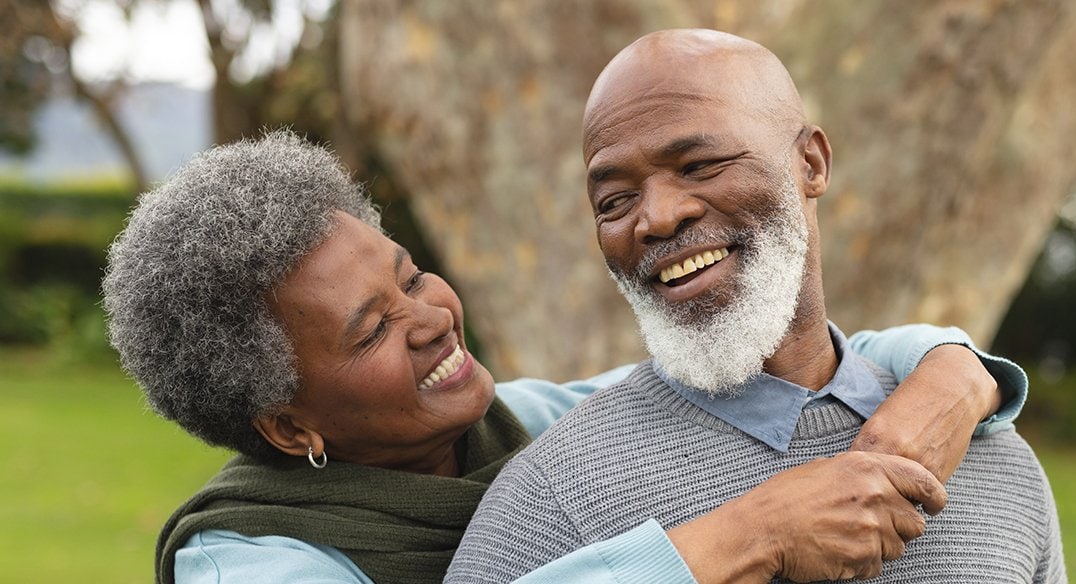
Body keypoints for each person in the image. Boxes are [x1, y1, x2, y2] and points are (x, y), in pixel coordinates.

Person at [102, 130, 1028, 584]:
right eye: (371, 330)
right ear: (287, 421)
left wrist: (955, 370)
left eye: (412, 276)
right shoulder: (248, 561)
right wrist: (747, 535)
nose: (430, 319)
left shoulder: (533, 424)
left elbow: (817, 355)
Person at [449, 29, 1065, 583]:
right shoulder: (551, 497)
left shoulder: (991, 458)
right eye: (614, 200)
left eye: (700, 165)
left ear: (812, 164)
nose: (658, 217)